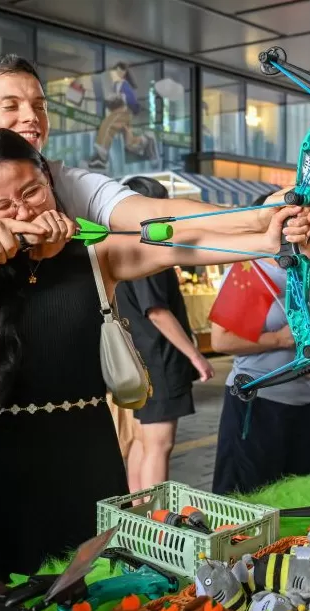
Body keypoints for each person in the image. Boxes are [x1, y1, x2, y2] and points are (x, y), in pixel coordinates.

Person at [0, 55, 293, 587]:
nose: (31, 117)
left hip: (75, 428)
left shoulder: (70, 191)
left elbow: (161, 230)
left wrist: (257, 223)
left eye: (39, 105)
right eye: (12, 105)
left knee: (81, 581)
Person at [116, 176, 213, 492]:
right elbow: (156, 311)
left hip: (137, 358)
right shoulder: (148, 249)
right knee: (160, 444)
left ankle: (137, 518)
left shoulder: (119, 245)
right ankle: (156, 526)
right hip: (158, 359)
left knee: (143, 443)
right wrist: (195, 355)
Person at [210, 228, 310, 495]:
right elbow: (221, 341)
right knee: (250, 497)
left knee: (298, 496)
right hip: (258, 402)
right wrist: (278, 340)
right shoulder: (253, 273)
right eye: (304, 247)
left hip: (306, 405)